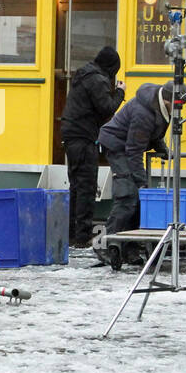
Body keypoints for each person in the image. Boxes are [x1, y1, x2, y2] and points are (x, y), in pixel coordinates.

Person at [60, 46, 124, 247]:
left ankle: (71, 234)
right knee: (86, 187)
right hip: (82, 136)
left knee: (76, 187)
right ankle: (82, 237)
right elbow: (106, 108)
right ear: (112, 67)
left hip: (73, 135)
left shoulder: (85, 74)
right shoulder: (97, 79)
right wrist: (120, 92)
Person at [97, 82, 173, 235]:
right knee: (128, 195)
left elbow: (154, 132)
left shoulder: (160, 106)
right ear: (166, 101)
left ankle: (129, 245)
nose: (180, 109)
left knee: (137, 198)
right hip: (117, 146)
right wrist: (141, 181)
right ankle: (107, 242)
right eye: (177, 105)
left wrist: (162, 148)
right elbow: (134, 151)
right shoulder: (143, 113)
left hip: (127, 147)